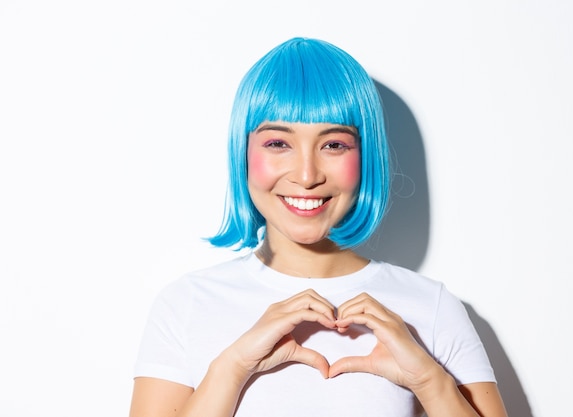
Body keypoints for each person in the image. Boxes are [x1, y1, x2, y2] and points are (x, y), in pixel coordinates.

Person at [129, 37, 508, 417]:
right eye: (278, 143)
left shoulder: (432, 307)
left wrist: (429, 380)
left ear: (366, 155)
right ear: (242, 152)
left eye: (334, 145)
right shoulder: (187, 304)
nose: (307, 176)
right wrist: (232, 367)